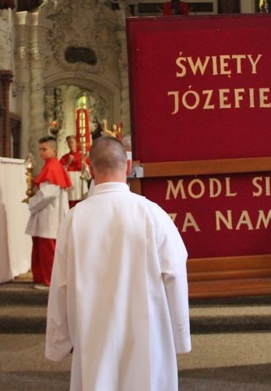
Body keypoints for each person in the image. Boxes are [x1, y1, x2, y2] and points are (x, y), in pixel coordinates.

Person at [46, 136, 191, 390]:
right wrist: (180, 335)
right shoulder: (152, 213)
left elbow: (61, 284)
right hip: (148, 332)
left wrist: (59, 341)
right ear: (128, 165)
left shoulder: (74, 218)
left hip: (93, 332)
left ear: (90, 168)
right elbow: (175, 272)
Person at [25, 136, 71, 289]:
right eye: (40, 149)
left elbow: (48, 194)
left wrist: (31, 202)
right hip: (46, 212)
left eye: (44, 149)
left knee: (48, 249)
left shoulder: (52, 167)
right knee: (41, 247)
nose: (41, 152)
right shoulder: (51, 165)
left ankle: (49, 281)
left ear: (54, 151)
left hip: (49, 213)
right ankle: (41, 278)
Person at [59, 135, 88, 207]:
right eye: (68, 143)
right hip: (70, 186)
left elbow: (89, 175)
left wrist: (85, 166)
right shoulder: (64, 157)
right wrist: (67, 163)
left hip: (79, 183)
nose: (70, 145)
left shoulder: (83, 156)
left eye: (72, 142)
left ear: (76, 143)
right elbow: (60, 173)